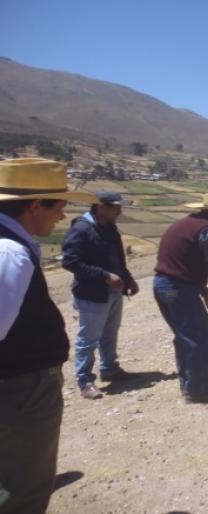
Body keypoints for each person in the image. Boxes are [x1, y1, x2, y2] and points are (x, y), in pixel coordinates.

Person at [0, 158, 95, 514]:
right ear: (35, 205)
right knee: (25, 487)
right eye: (59, 205)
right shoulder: (9, 252)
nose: (62, 215)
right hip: (19, 389)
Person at [153, 193, 208, 402]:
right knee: (200, 338)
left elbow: (186, 262)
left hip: (163, 284)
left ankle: (189, 382)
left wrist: (204, 291)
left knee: (185, 337)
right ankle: (197, 389)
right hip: (179, 288)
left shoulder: (186, 224)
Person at [62, 191, 139, 399]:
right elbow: (70, 261)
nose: (120, 211)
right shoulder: (81, 229)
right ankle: (85, 379)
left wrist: (127, 277)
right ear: (101, 206)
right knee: (88, 338)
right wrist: (105, 276)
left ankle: (110, 368)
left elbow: (117, 257)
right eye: (115, 207)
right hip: (91, 293)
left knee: (110, 332)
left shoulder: (110, 227)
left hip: (113, 291)